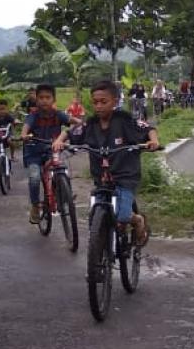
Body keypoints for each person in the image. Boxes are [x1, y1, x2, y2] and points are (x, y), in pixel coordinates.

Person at [54, 80, 160, 246]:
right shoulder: (90, 124)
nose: (99, 106)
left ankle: (137, 220)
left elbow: (148, 129)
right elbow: (70, 132)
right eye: (95, 102)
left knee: (123, 215)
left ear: (115, 101)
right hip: (101, 179)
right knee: (95, 217)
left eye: (104, 102)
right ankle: (100, 252)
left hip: (124, 177)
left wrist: (153, 142)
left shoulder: (125, 120)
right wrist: (59, 141)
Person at [20, 83, 73, 224]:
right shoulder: (33, 116)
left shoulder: (59, 114)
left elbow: (76, 123)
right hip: (34, 153)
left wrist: (73, 130)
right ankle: (35, 206)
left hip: (52, 151)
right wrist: (24, 135)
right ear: (36, 100)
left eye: (48, 97)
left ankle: (64, 195)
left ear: (53, 99)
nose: (44, 100)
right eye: (41, 97)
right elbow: (25, 128)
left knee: (64, 169)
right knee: (35, 177)